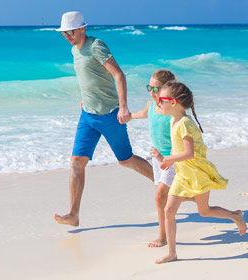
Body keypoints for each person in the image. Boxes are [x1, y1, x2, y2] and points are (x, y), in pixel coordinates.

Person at [53, 11, 154, 227]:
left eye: (70, 31)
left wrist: (124, 107)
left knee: (126, 160)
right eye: (63, 33)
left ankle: (163, 183)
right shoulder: (74, 50)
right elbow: (89, 77)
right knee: (77, 163)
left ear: (82, 28)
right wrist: (85, 99)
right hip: (87, 116)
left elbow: (119, 75)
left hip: (109, 115)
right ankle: (73, 214)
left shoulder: (96, 45)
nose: (67, 36)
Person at [149, 82, 247, 264]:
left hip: (196, 173)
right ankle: (172, 253)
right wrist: (166, 161)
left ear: (175, 102)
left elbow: (189, 153)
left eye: (162, 100)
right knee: (169, 210)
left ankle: (235, 216)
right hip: (182, 174)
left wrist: (166, 160)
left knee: (204, 211)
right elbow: (177, 149)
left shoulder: (185, 123)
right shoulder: (173, 120)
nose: (159, 103)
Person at [130, 69, 178, 247]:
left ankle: (162, 236)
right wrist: (129, 117)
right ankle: (227, 213)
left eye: (156, 89)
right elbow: (143, 113)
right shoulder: (151, 105)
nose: (152, 91)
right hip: (156, 159)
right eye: (149, 87)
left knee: (160, 196)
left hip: (171, 158)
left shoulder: (172, 109)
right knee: (171, 195)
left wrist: (172, 158)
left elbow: (182, 133)